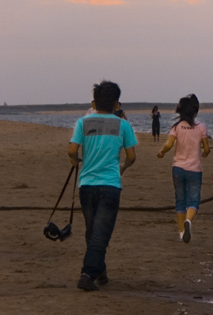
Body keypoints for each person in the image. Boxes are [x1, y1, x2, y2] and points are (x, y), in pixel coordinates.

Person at [67, 80, 137, 292]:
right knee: (100, 233)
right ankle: (88, 274)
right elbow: (132, 156)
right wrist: (122, 168)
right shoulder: (123, 125)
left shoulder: (83, 122)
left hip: (87, 184)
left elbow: (72, 150)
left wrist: (76, 161)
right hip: (110, 185)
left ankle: (101, 271)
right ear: (116, 104)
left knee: (93, 231)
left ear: (95, 102)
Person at [157, 94, 209, 243]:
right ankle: (189, 221)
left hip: (178, 169)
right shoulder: (201, 127)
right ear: (195, 111)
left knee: (180, 200)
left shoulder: (177, 127)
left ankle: (181, 232)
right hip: (195, 170)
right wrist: (205, 152)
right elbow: (206, 148)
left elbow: (169, 145)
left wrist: (161, 152)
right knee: (193, 201)